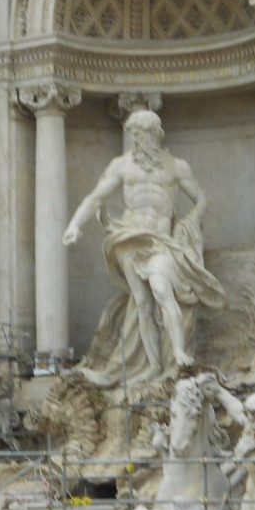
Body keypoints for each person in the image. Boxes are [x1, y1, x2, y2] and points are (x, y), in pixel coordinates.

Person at [63, 110, 226, 386]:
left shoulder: (176, 167)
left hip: (161, 241)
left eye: (141, 134)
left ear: (156, 133)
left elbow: (201, 199)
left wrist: (190, 222)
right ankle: (152, 365)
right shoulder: (121, 166)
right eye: (134, 135)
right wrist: (75, 224)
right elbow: (95, 197)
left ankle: (177, 352)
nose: (137, 140)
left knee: (162, 290)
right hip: (129, 237)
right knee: (141, 303)